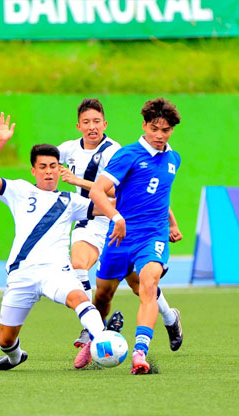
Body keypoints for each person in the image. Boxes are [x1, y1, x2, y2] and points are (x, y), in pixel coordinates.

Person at [0, 112, 107, 371]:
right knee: (5, 339)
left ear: (60, 169)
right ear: (34, 170)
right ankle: (15, 357)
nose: (49, 172)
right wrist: (0, 142)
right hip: (22, 275)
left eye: (53, 166)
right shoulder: (20, 190)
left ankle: (102, 340)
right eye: (43, 167)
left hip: (55, 272)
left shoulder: (71, 201)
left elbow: (105, 208)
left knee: (78, 296)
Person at [89, 97, 185, 374]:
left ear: (172, 131)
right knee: (103, 296)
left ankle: (140, 353)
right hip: (120, 236)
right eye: (154, 128)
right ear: (144, 125)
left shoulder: (173, 159)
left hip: (152, 236)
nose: (159, 135)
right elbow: (98, 191)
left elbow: (159, 197)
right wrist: (116, 217)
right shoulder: (128, 155)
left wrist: (172, 224)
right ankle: (95, 336)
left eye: (165, 130)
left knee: (148, 284)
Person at [54, 98, 125, 367]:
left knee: (141, 285)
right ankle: (93, 326)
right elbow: (47, 160)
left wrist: (76, 181)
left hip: (117, 220)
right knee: (77, 265)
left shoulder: (114, 151)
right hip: (89, 219)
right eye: (86, 122)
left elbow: (113, 190)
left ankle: (168, 317)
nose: (92, 127)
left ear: (105, 124)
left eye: (97, 121)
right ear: (79, 125)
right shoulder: (68, 149)